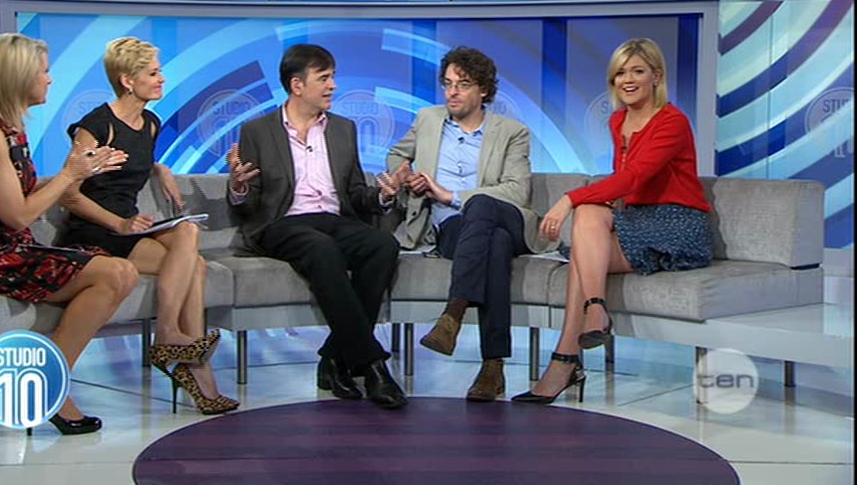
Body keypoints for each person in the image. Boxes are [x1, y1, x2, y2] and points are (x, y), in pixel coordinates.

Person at [0, 33, 137, 435]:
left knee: (121, 272)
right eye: (43, 71)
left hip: (5, 246)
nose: (50, 79)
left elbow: (18, 197)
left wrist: (83, 170)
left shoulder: (11, 129)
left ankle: (47, 380)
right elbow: (17, 216)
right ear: (18, 75)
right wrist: (70, 175)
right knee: (112, 273)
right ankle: (51, 386)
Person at [512, 37, 713, 404]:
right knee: (589, 225)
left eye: (638, 71)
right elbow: (622, 182)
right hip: (637, 220)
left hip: (678, 223)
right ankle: (594, 312)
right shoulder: (618, 119)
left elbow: (634, 177)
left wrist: (569, 198)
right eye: (621, 73)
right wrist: (595, 204)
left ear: (656, 76)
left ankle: (565, 360)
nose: (628, 80)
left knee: (583, 242)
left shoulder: (672, 121)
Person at [57, 37, 238, 415]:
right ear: (127, 80)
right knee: (195, 266)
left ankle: (173, 340)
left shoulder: (151, 124)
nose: (161, 79)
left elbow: (134, 160)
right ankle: (189, 363)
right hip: (96, 229)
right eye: (153, 73)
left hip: (129, 227)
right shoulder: (95, 126)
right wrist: (119, 223)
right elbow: (68, 194)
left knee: (188, 234)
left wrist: (160, 168)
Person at [226, 43, 408, 410]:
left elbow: (355, 192)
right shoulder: (257, 130)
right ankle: (372, 364)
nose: (332, 86)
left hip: (334, 219)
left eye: (333, 77)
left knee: (382, 245)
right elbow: (250, 204)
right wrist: (239, 187)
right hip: (282, 222)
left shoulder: (343, 129)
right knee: (321, 248)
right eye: (324, 78)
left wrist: (383, 196)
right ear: (297, 85)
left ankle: (334, 358)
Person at [387, 46, 553, 401]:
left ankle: (453, 312)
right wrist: (406, 175)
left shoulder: (512, 132)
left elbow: (517, 190)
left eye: (462, 85)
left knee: (481, 204)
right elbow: (397, 155)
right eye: (447, 84)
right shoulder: (427, 120)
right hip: (453, 228)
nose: (452, 92)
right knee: (495, 245)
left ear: (484, 90)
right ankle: (493, 366)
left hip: (505, 216)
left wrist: (450, 195)